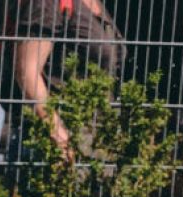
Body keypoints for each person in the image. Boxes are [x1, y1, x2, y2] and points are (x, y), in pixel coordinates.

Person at [13, 0, 124, 156]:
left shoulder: (97, 5)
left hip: (96, 135)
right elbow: (27, 71)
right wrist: (56, 131)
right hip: (66, 133)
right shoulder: (48, 3)